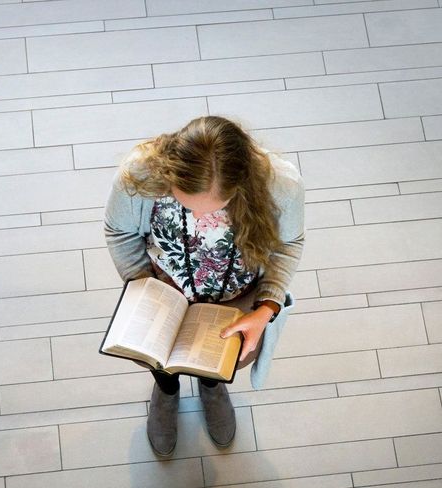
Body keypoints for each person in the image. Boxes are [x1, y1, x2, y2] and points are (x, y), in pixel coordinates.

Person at [104, 115, 305, 457]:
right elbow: (119, 231)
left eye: (214, 209)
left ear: (240, 186)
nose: (198, 219)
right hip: (162, 291)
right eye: (186, 205)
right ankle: (166, 391)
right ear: (170, 173)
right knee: (158, 359)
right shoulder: (139, 174)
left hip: (236, 300)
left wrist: (266, 307)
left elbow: (288, 244)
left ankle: (212, 386)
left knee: (220, 360)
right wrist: (142, 285)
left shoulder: (281, 186)